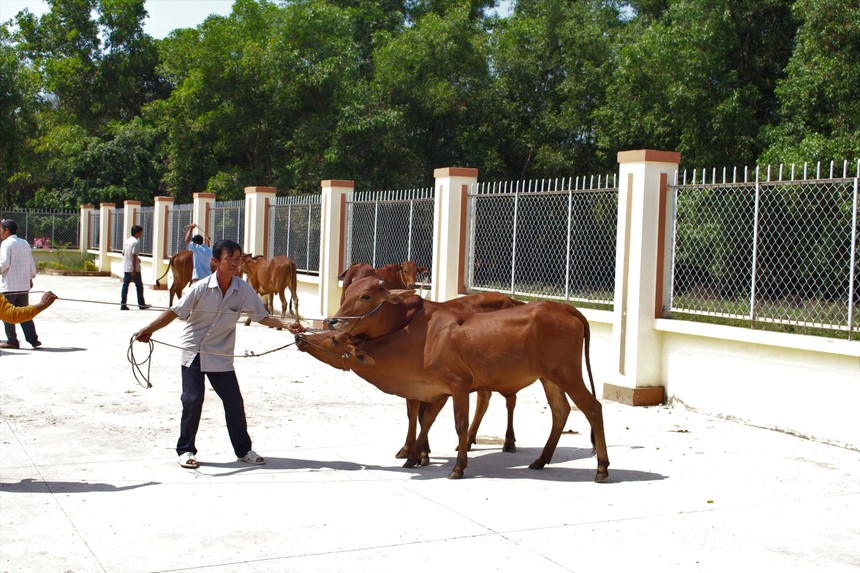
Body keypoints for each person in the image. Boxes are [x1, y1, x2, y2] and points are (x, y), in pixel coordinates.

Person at [133, 239, 305, 469]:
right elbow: (174, 312)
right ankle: (185, 450)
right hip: (194, 350)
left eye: (238, 259)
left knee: (234, 402)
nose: (235, 264)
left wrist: (286, 324)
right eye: (229, 259)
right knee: (192, 400)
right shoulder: (200, 288)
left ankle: (243, 450)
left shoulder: (242, 289)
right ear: (215, 262)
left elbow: (261, 316)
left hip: (220, 355)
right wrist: (149, 329)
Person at [0, 219, 42, 349]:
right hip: (23, 286)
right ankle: (33, 339)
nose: (0, 233)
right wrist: (30, 277)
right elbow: (31, 263)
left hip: (9, 286)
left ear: (7, 230)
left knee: (8, 313)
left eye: (1, 230)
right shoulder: (24, 243)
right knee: (24, 312)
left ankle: (12, 340)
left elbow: (4, 263)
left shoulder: (6, 243)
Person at [120, 225, 150, 310]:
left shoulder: (127, 241)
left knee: (125, 286)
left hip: (126, 266)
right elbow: (133, 255)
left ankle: (123, 304)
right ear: (137, 233)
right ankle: (141, 304)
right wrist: (133, 267)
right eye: (140, 232)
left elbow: (123, 253)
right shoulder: (135, 242)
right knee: (139, 286)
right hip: (134, 268)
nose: (141, 234)